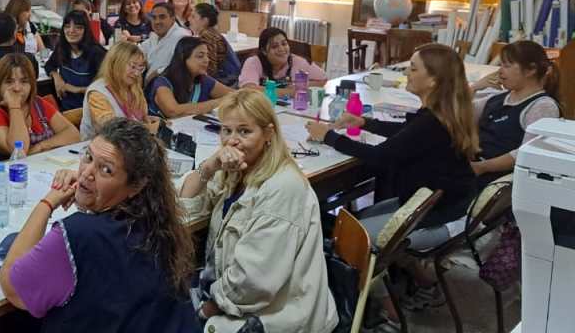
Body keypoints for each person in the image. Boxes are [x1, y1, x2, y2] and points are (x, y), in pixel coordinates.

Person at [306, 44, 478, 325]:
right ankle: (425, 282)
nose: (406, 73)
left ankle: (390, 313)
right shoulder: (440, 115)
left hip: (437, 215)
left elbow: (381, 158)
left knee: (350, 239)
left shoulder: (431, 123)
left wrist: (328, 136)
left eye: (412, 68)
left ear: (433, 80)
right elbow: (406, 134)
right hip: (442, 204)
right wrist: (364, 122)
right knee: (356, 221)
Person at [0, 118, 199, 332]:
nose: (86, 173)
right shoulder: (158, 224)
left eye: (106, 170)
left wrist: (47, 203)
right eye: (88, 157)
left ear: (136, 185)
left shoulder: (79, 235)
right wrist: (92, 190)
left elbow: (13, 288)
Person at [180, 90, 338, 332]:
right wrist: (211, 164)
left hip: (273, 316)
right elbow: (185, 205)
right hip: (233, 294)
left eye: (244, 131)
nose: (232, 140)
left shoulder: (283, 187)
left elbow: (253, 282)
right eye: (226, 130)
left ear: (268, 134)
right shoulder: (238, 169)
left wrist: (203, 311)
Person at [470, 40, 560, 184]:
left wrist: (481, 167)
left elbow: (527, 153)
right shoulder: (497, 98)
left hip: (500, 180)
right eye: (501, 65)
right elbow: (459, 114)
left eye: (507, 65)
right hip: (475, 168)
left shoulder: (542, 107)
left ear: (531, 70)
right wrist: (475, 87)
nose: (500, 71)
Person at [0, 53, 79, 157]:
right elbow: (18, 149)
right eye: (9, 82)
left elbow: (73, 134)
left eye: (24, 81)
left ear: (32, 84)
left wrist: (41, 146)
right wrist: (14, 107)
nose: (17, 88)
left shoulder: (38, 104)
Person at [79, 42, 154, 141]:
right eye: (133, 66)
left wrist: (149, 121)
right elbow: (111, 130)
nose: (137, 73)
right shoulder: (97, 93)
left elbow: (137, 118)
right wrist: (149, 128)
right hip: (101, 149)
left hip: (131, 144)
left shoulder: (133, 86)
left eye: (141, 68)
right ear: (116, 63)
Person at [148, 36, 233, 118]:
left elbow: (238, 95)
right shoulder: (162, 82)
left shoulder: (203, 80)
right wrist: (219, 102)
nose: (207, 60)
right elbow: (173, 111)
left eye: (207, 55)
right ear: (183, 58)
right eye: (200, 56)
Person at [44, 11, 106, 111]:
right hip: (66, 108)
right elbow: (49, 65)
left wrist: (76, 89)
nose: (71, 31)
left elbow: (105, 87)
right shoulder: (62, 47)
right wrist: (56, 77)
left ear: (86, 31)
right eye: (67, 26)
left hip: (89, 110)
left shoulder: (96, 53)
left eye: (78, 27)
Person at [239, 27, 325, 88]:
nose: (281, 49)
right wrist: (290, 92)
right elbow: (249, 90)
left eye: (284, 44)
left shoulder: (298, 62)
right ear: (264, 51)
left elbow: (324, 81)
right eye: (274, 46)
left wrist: (300, 85)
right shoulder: (254, 62)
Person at [188, 2, 241, 85]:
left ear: (204, 20)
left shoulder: (207, 36)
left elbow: (210, 68)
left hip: (224, 80)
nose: (189, 19)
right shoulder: (212, 32)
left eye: (193, 16)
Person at [140, 2, 191, 81]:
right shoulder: (155, 36)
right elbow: (139, 51)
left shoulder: (182, 36)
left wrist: (157, 72)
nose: (157, 22)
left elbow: (185, 65)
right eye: (154, 18)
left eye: (162, 17)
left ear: (172, 19)